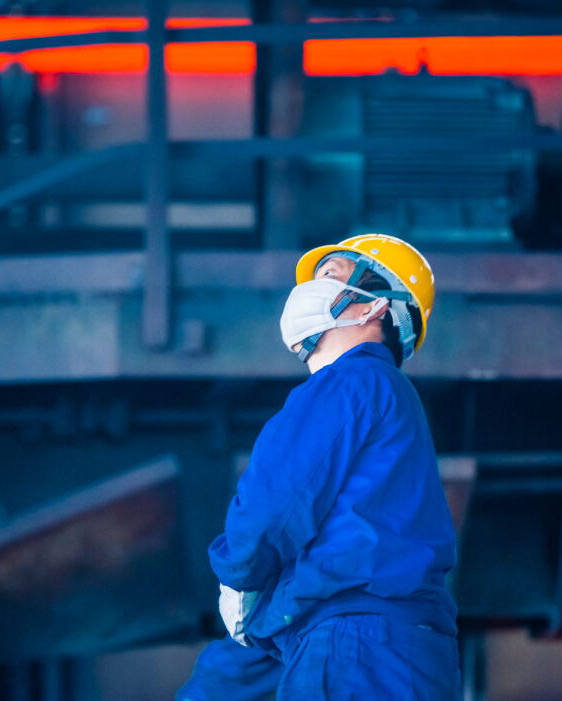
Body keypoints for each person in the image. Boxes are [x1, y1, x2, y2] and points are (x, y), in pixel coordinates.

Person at [177, 234, 460, 700]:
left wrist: (237, 575)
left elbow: (279, 498)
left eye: (330, 276)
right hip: (398, 649)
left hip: (359, 645)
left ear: (374, 306)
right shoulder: (387, 396)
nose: (310, 288)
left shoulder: (352, 379)